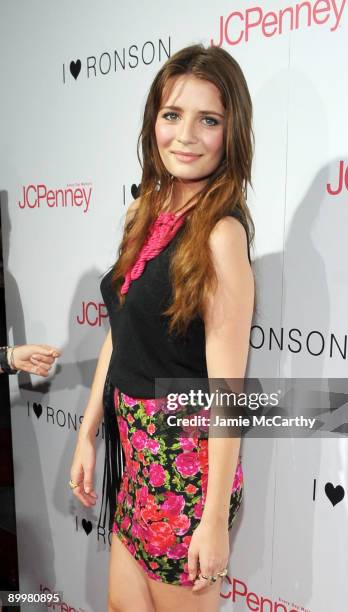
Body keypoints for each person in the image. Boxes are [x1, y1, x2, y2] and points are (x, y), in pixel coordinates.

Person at [69, 43, 256, 612]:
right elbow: (121, 329)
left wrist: (214, 521)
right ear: (154, 120)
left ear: (231, 132)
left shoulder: (221, 235)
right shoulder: (142, 212)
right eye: (173, 115)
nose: (186, 136)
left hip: (186, 474)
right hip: (136, 459)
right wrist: (88, 430)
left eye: (209, 120)